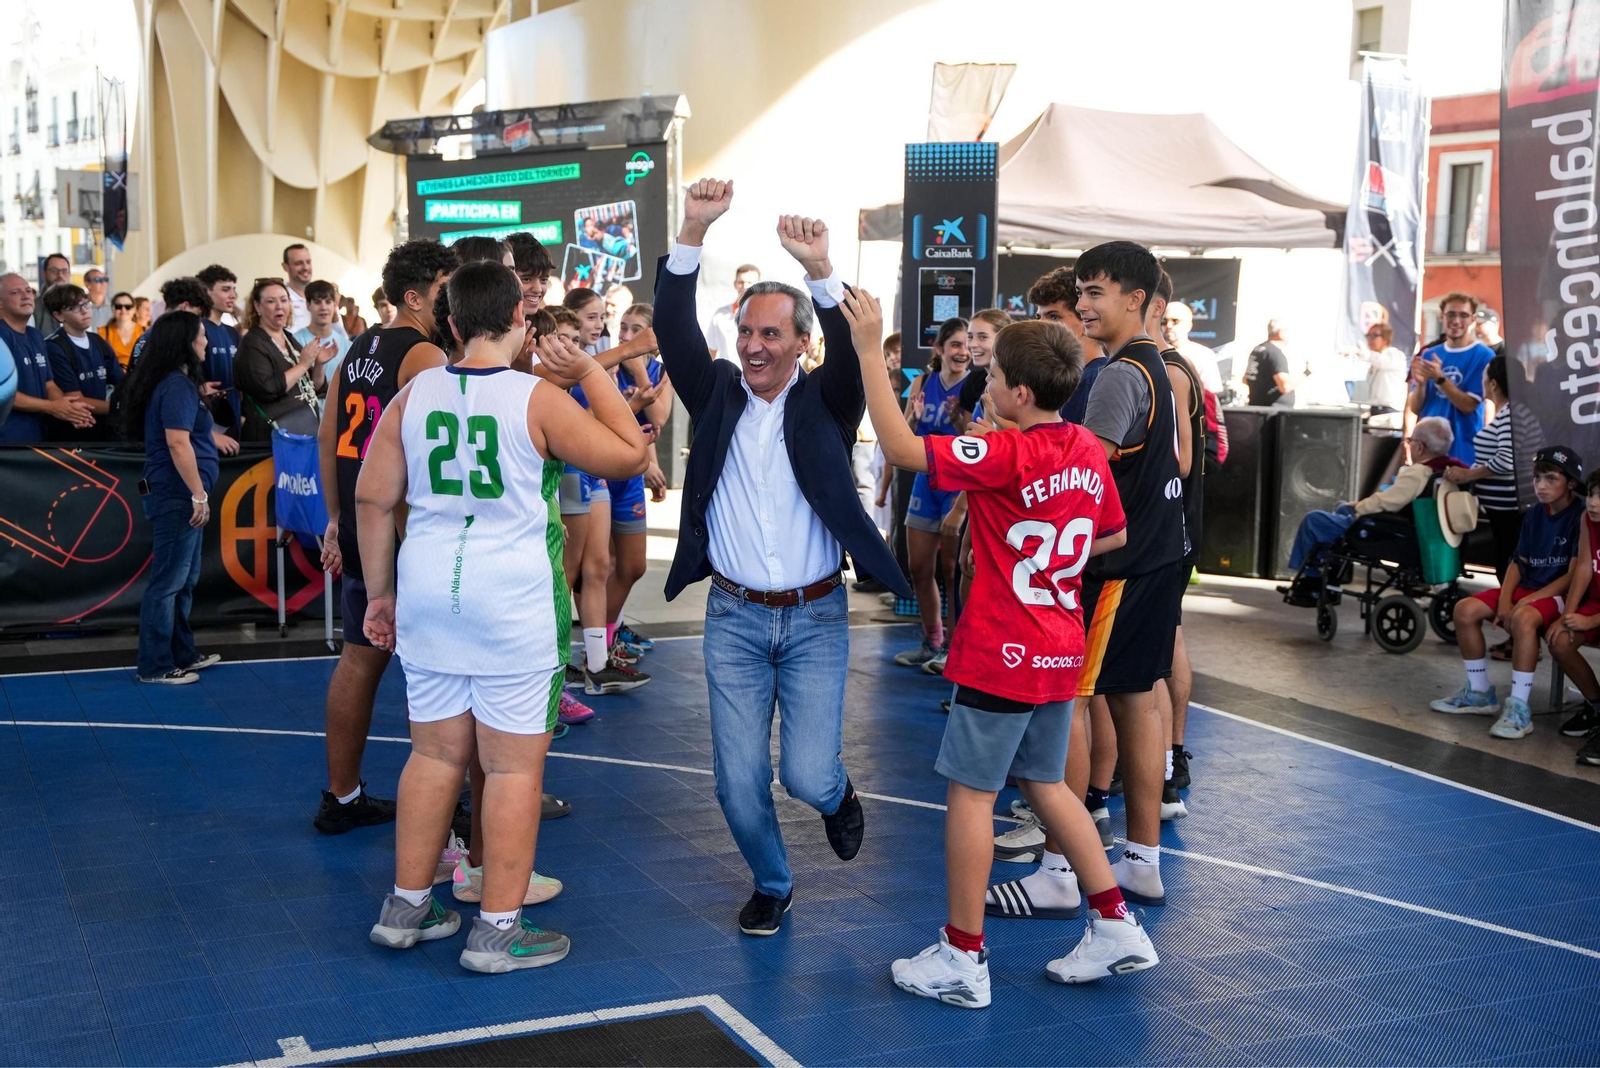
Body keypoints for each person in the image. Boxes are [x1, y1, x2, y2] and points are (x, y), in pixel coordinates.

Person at [853, 292, 1155, 1006]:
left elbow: (899, 449)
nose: (981, 387)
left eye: (990, 378)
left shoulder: (1003, 452)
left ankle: (963, 954)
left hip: (1003, 649)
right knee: (1049, 787)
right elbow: (1109, 535)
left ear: (1020, 393)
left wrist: (870, 351)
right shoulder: (1084, 446)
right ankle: (1116, 924)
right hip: (1059, 646)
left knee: (971, 795)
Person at [357, 260, 651, 973]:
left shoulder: (415, 392)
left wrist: (379, 593)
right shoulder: (536, 399)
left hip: (429, 591)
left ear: (451, 325)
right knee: (513, 770)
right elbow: (629, 455)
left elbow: (371, 498)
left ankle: (406, 907)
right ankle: (496, 931)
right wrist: (589, 370)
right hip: (510, 604)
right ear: (522, 323)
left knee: (432, 755)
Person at [655, 179, 906, 935]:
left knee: (804, 773)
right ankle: (773, 881)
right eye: (748, 332)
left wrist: (820, 268)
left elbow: (844, 332)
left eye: (772, 333)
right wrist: (693, 230)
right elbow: (671, 328)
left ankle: (837, 796)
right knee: (737, 785)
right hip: (732, 617)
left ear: (801, 342)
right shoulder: (718, 393)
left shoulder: (829, 401)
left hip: (816, 619)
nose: (756, 346)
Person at [1058, 241, 1187, 909]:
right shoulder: (1157, 366)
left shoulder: (1116, 376)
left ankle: (1058, 863)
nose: (1083, 302)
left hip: (1120, 565)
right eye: (1080, 290)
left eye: (1096, 291)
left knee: (1073, 702)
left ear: (1137, 299)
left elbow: (1085, 476)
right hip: (1157, 554)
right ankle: (1141, 857)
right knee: (1136, 701)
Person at [315, 238, 456, 835]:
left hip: (359, 526)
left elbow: (327, 436)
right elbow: (442, 454)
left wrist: (335, 518)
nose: (453, 303)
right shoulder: (422, 355)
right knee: (446, 673)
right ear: (416, 296)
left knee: (358, 660)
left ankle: (341, 798)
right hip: (403, 535)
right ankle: (453, 812)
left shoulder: (358, 347)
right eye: (446, 290)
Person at [1434, 446, 1584, 740]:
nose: (1541, 486)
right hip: (1529, 590)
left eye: (1551, 479)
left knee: (1524, 618)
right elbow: (1518, 562)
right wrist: (1505, 600)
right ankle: (1479, 693)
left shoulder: (1579, 517)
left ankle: (1519, 708)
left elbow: (1574, 576)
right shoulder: (1533, 515)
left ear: (1572, 484)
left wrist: (1527, 601)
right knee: (1464, 610)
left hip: (1559, 595)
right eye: (1538, 478)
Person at [118, 312, 226, 685]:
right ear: (184, 341)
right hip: (176, 494)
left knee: (184, 578)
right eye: (201, 336)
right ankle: (156, 665)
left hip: (176, 492)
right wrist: (198, 494)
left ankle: (182, 653)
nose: (207, 342)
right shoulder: (176, 385)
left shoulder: (174, 383)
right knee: (168, 581)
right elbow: (178, 442)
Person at [892, 317, 972, 669]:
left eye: (968, 343)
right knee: (919, 567)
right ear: (940, 349)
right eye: (955, 344)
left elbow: (976, 439)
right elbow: (906, 433)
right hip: (927, 479)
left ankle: (954, 648)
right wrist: (916, 416)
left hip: (957, 482)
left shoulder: (976, 386)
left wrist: (957, 421)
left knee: (953, 570)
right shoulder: (923, 382)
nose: (963, 351)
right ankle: (932, 640)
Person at [1285, 416, 1456, 577]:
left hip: (1389, 531)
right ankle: (1330, 573)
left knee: (1314, 519)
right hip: (1414, 529)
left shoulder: (1419, 473)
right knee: (1343, 508)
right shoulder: (1448, 471)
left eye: (1410, 441)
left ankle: (1310, 578)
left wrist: (1360, 507)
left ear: (1419, 447)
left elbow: (1387, 501)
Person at [1151, 271, 1200, 819]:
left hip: (1168, 527)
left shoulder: (1167, 371)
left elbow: (1181, 461)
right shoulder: (1164, 369)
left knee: (1157, 654)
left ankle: (1166, 765)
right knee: (1164, 644)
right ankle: (1167, 763)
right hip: (1169, 525)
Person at [607, 303, 672, 660]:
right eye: (623, 328)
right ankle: (601, 642)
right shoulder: (607, 365)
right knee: (604, 564)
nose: (627, 336)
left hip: (631, 472)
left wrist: (651, 464)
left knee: (631, 566)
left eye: (636, 330)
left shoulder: (660, 371)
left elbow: (658, 418)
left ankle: (610, 629)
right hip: (602, 473)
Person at [1443, 356, 1521, 582]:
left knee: (1507, 564)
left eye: (1484, 377)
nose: (1481, 381)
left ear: (1494, 384)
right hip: (1504, 507)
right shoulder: (1513, 412)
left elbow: (1506, 460)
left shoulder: (1510, 415)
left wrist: (1468, 474)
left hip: (1508, 508)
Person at [235, 277, 335, 440]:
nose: (279, 306)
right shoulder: (253, 344)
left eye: (283, 300)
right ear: (258, 306)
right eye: (271, 301)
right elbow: (269, 389)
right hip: (272, 437)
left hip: (302, 430)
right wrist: (303, 364)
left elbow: (315, 387)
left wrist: (318, 365)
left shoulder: (288, 338)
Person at [0, 272, 93, 442]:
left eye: (29, 291)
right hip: (7, 443)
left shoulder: (36, 335)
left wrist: (68, 409)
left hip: (38, 437)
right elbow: (3, 393)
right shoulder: (2, 337)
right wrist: (51, 407)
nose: (26, 296)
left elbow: (48, 384)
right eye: (15, 292)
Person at [1409, 292, 1494, 464]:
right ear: (1441, 317)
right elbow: (1416, 408)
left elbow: (1468, 405)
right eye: (1451, 314)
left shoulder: (1483, 355)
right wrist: (1420, 385)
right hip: (1427, 450)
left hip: (1462, 448)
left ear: (1472, 320)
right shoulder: (1430, 354)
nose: (1456, 321)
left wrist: (1440, 379)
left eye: (1463, 315)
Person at [1550, 472, 1600, 762]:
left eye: (1599, 497)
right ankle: (1596, 707)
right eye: (1592, 494)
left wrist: (1592, 622)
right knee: (1560, 641)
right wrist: (1567, 615)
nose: (1592, 503)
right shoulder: (1586, 520)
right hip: (1594, 603)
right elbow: (1583, 568)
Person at [43, 283, 125, 442]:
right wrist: (120, 409)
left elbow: (122, 382)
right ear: (59, 315)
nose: (84, 310)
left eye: (85, 304)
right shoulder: (55, 347)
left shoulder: (98, 341)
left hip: (102, 428)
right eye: (73, 307)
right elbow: (76, 399)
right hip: (71, 434)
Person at [1031, 268, 1105, 426]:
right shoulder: (1069, 379)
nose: (1040, 325)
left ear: (1086, 320)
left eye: (1054, 317)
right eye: (1038, 317)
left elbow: (1069, 449)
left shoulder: (1092, 380)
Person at [197, 265, 243, 433]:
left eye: (233, 290)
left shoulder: (232, 333)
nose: (233, 295)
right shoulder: (197, 330)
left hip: (233, 418)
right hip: (207, 423)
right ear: (207, 292)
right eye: (225, 290)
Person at [129, 279, 210, 371]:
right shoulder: (169, 340)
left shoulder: (147, 335)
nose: (197, 323)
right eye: (197, 316)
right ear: (184, 307)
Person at [293, 280, 353, 384]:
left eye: (328, 302)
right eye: (317, 302)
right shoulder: (295, 340)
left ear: (335, 305)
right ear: (308, 305)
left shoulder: (347, 346)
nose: (323, 307)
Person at [1160, 301, 1223, 394]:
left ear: (1189, 325)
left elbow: (1211, 395)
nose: (1168, 326)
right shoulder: (1152, 353)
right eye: (1164, 321)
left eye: (1175, 321)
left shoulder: (1204, 355)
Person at [704, 262, 761, 361]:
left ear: (758, 285)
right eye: (741, 282)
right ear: (735, 284)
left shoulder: (767, 315)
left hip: (757, 373)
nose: (745, 286)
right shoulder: (720, 315)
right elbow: (710, 351)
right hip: (728, 374)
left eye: (750, 282)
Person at [1361, 322, 1408, 415]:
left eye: (1374, 335)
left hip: (1390, 408)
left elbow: (1382, 362)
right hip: (1375, 407)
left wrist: (1360, 352)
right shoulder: (1374, 358)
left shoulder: (1395, 355)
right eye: (1368, 336)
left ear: (1385, 338)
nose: (1370, 339)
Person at [1243, 320, 1291, 407]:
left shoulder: (1257, 349)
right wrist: (1305, 374)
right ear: (1280, 333)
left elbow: (1245, 379)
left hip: (1257, 408)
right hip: (1273, 413)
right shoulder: (1275, 353)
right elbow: (1285, 386)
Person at [101, 291, 144, 369]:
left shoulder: (145, 331)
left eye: (128, 307)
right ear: (112, 309)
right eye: (118, 306)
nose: (123, 310)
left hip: (139, 377)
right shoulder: (103, 332)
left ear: (134, 309)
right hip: (113, 378)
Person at [31, 253, 71, 332]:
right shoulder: (33, 308)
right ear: (44, 274)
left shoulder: (80, 305)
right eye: (54, 271)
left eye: (64, 271)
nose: (60, 275)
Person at [283, 243, 315, 332]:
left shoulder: (322, 294)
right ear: (285, 267)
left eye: (308, 262)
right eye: (298, 263)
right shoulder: (280, 296)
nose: (305, 267)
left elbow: (341, 335)